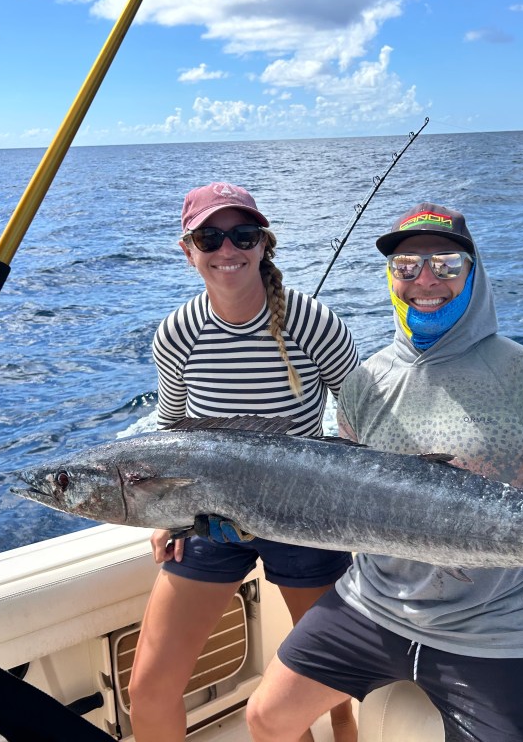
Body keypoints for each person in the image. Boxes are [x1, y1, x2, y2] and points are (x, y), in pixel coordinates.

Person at [245, 202, 523, 742]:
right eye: (406, 268)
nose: (425, 281)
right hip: (371, 605)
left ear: (474, 274)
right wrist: (241, 515)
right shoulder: (364, 383)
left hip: (491, 630)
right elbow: (347, 491)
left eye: (446, 265)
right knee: (264, 717)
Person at [127, 182, 360, 742]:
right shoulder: (178, 333)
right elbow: (171, 431)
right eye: (210, 237)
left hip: (306, 519)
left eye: (242, 235)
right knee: (148, 688)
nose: (226, 249)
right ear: (189, 250)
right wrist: (167, 517)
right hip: (208, 523)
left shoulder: (312, 322)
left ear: (263, 245)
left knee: (334, 694)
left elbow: (361, 418)